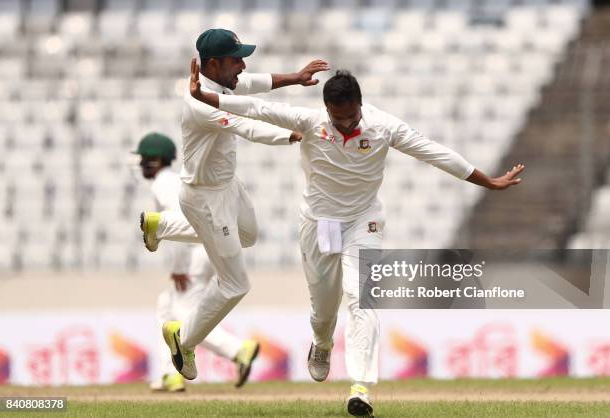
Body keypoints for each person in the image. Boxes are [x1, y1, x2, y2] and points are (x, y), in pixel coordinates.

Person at [189, 66, 525, 417]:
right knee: (323, 310)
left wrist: (488, 182)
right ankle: (321, 343)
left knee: (361, 297)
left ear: (360, 105)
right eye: (338, 119)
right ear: (327, 109)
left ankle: (360, 388)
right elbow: (257, 109)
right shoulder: (309, 121)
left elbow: (433, 152)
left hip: (364, 222)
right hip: (318, 224)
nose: (346, 125)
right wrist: (204, 96)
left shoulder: (383, 126)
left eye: (351, 117)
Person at [139, 29, 330, 381]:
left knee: (249, 235)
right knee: (235, 285)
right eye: (236, 58)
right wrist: (291, 134)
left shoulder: (222, 84)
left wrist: (296, 77)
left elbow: (255, 84)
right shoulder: (200, 102)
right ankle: (184, 338)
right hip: (205, 198)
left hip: (228, 186)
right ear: (213, 64)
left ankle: (161, 225)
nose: (242, 65)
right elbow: (247, 125)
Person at [135, 132, 260, 392]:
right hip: (199, 248)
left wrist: (179, 268)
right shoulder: (168, 179)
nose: (141, 164)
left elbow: (179, 218)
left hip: (193, 253)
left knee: (184, 318)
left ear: (155, 160)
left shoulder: (163, 183)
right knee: (166, 306)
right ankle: (170, 373)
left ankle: (239, 350)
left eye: (145, 159)